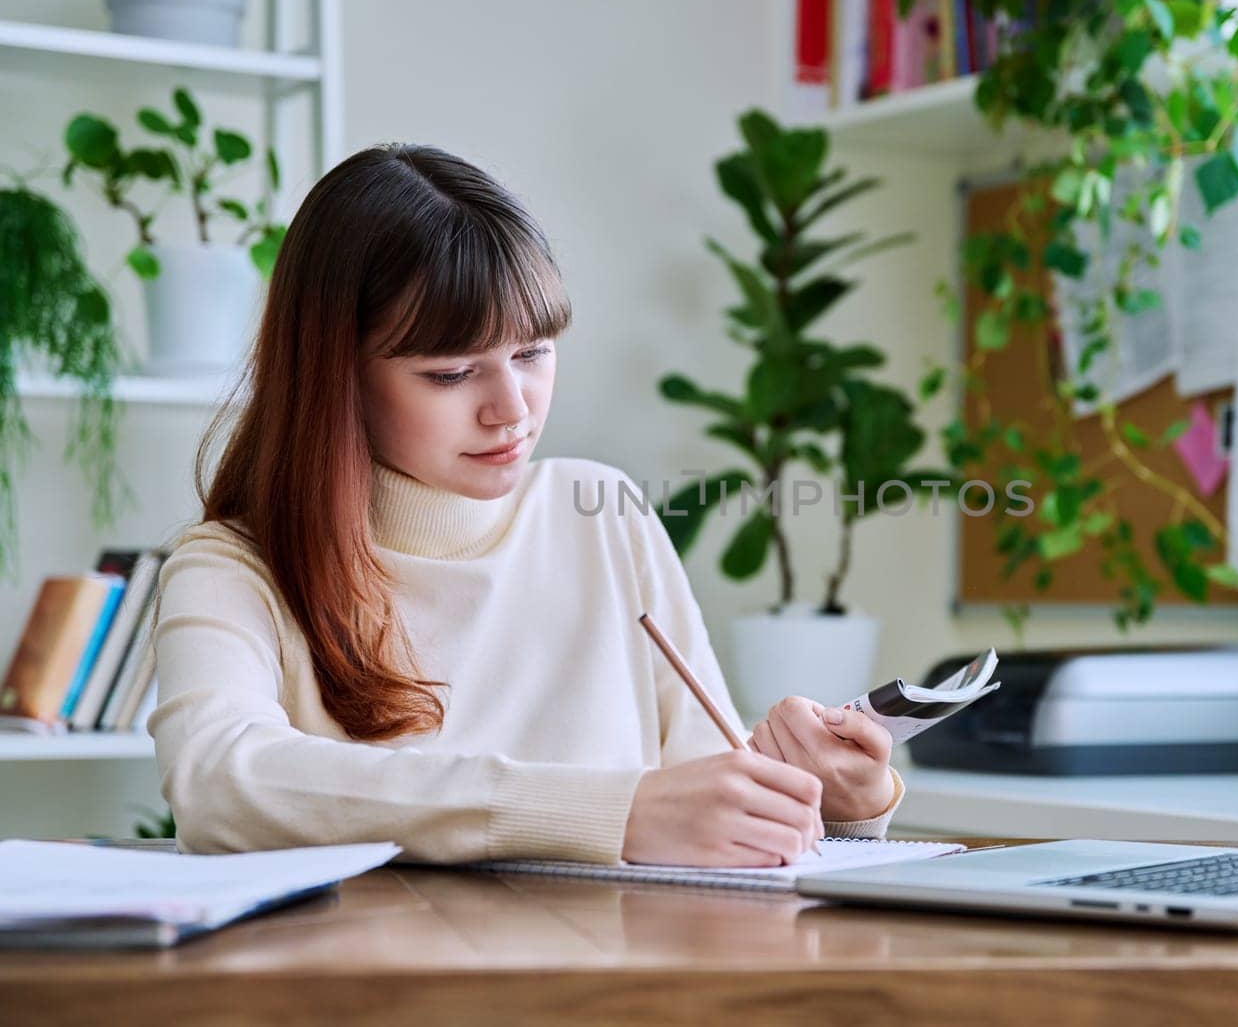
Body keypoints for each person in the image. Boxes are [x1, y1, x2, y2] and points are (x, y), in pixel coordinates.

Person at [147, 144, 902, 866]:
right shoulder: (232, 566)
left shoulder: (600, 512)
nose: (511, 409)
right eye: (450, 373)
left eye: (533, 353)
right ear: (335, 377)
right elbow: (218, 779)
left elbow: (706, 792)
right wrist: (612, 813)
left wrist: (837, 804)